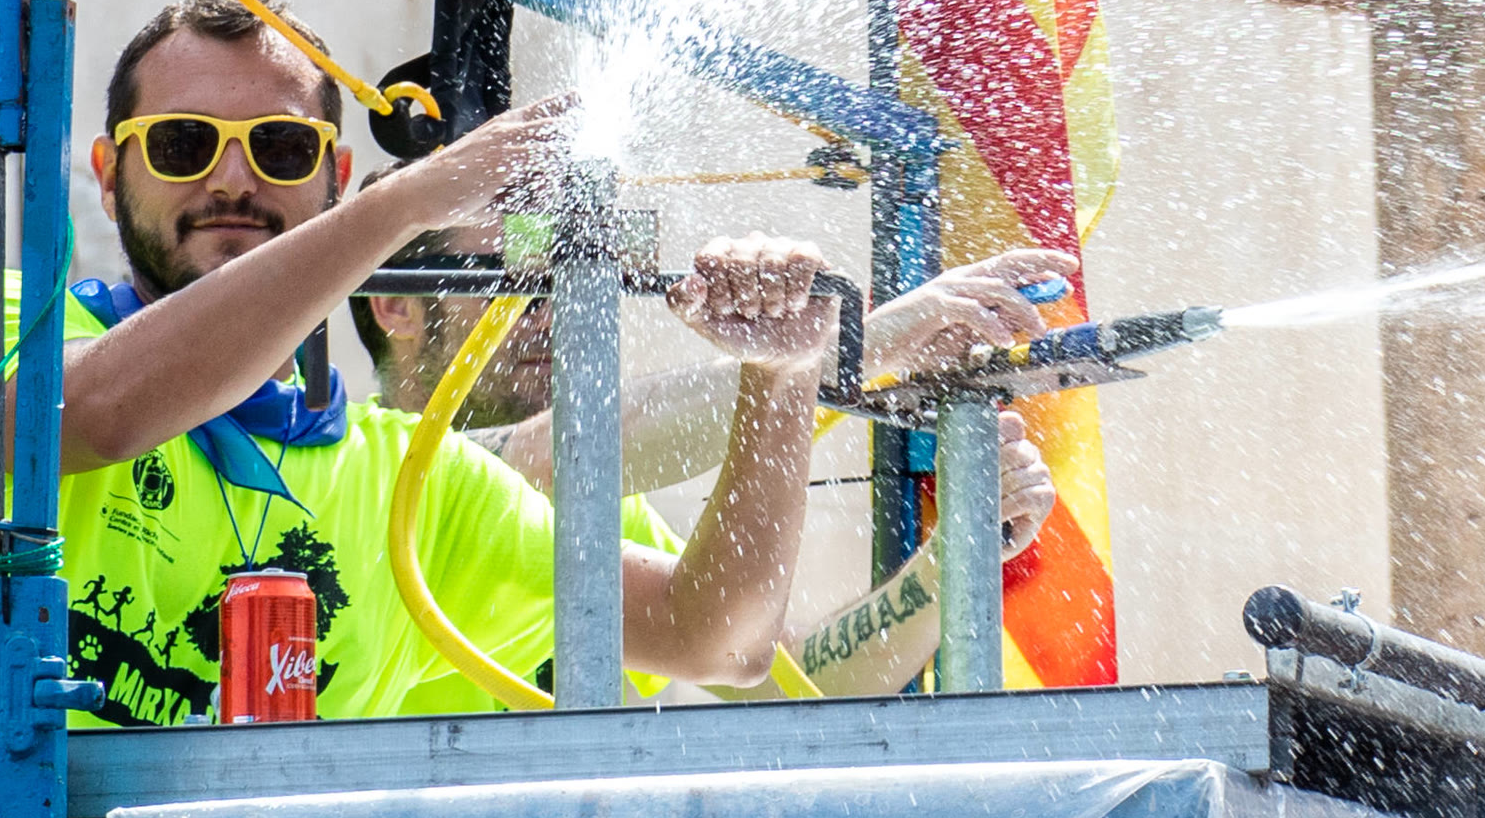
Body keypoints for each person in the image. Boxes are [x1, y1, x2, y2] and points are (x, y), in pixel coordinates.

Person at [0, 0, 835, 818]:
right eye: (181, 144)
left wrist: (783, 378)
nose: (231, 180)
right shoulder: (7, 333)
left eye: (280, 149)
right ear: (108, 173)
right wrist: (413, 200)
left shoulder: (412, 484)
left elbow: (722, 639)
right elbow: (91, 417)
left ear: (333, 175)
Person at [355, 215, 1075, 702]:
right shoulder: (368, 466)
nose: (547, 310)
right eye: (508, 281)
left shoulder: (601, 508)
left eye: (552, 283)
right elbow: (568, 448)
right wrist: (859, 344)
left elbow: (789, 682)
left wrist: (948, 566)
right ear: (396, 305)